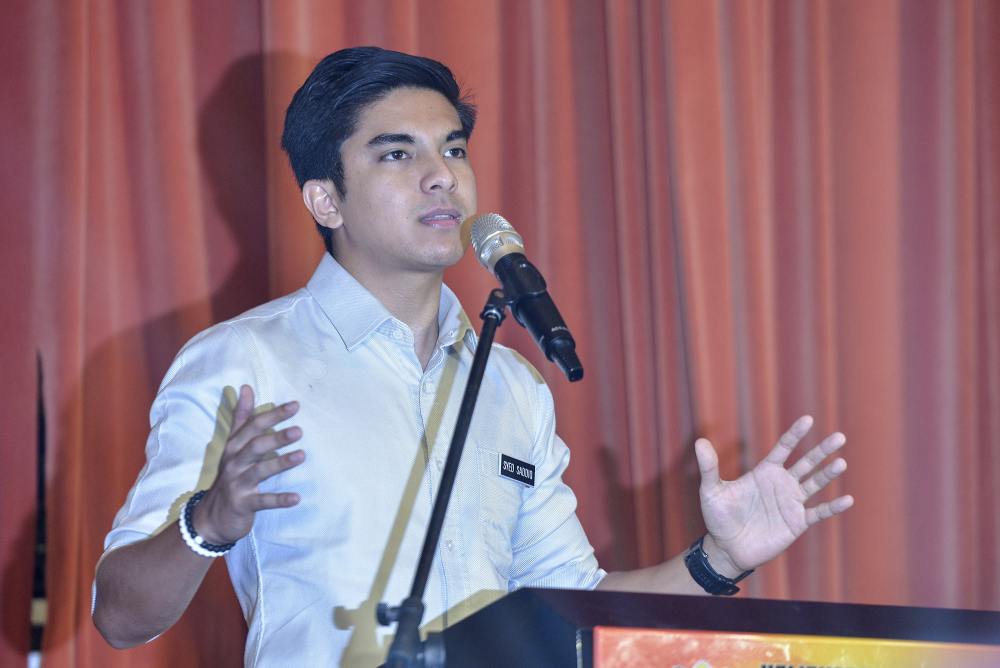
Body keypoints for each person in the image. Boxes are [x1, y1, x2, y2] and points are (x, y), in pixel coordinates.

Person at [92, 46, 854, 667]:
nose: (442, 176)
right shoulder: (244, 361)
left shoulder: (511, 384)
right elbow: (120, 617)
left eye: (453, 149)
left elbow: (572, 608)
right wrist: (210, 522)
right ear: (326, 200)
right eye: (397, 154)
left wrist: (718, 560)